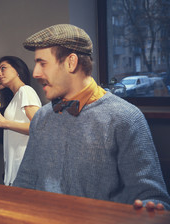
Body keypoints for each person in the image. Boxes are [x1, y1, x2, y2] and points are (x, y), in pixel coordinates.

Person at [13, 24, 170, 210]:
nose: (35, 73)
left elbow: (152, 198)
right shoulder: (41, 117)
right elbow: (24, 183)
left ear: (71, 62)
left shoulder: (126, 118)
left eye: (42, 63)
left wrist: (147, 210)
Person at [0, 56, 41, 186]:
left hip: (25, 164)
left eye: (3, 69)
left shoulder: (25, 91)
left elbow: (38, 128)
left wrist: (5, 123)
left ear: (17, 70)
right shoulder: (16, 97)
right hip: (15, 163)